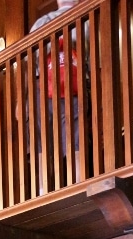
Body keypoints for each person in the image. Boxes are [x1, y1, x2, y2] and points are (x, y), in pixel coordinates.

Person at [30, 0, 83, 183]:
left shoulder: (86, 14)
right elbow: (32, 56)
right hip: (49, 83)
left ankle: (73, 180)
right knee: (46, 133)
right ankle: (49, 184)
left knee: (71, 132)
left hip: (70, 82)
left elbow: (34, 59)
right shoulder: (84, 17)